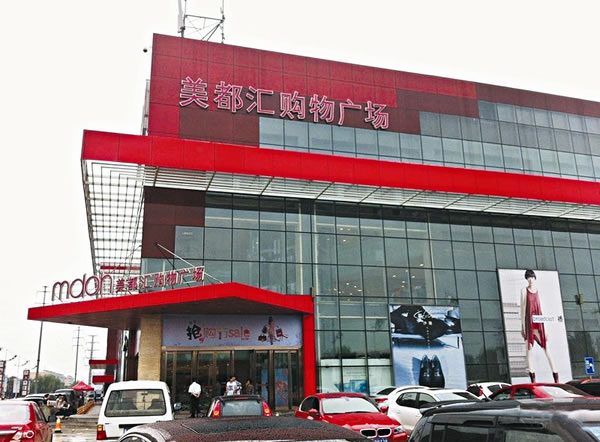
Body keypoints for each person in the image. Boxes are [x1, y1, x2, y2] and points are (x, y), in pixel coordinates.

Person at [520, 269, 559, 383]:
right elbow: (522, 310)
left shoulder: (538, 291)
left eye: (531, 277)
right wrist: (522, 327)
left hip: (538, 322)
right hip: (529, 322)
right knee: (529, 349)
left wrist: (544, 330)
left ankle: (556, 376)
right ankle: (532, 378)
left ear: (534, 278)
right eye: (528, 278)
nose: (530, 280)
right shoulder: (524, 291)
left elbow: (540, 309)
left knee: (546, 348)